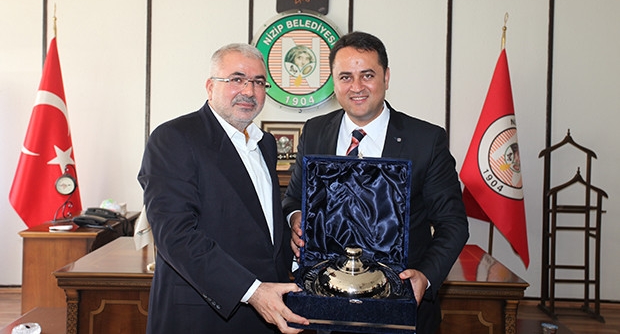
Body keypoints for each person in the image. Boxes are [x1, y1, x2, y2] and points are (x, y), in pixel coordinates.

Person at [282, 31, 469, 334]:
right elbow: (293, 198)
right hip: (326, 306)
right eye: (345, 77)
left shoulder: (426, 140)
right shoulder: (314, 131)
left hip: (400, 306)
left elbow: (453, 224)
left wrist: (425, 276)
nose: (356, 87)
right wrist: (295, 217)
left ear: (386, 77)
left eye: (367, 75)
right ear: (333, 81)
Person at [138, 43, 309, 334]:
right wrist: (252, 291)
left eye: (258, 82)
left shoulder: (265, 143)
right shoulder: (174, 138)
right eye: (236, 79)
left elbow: (255, 224)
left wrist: (293, 239)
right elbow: (176, 235)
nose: (249, 91)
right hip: (202, 317)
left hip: (268, 313)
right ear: (210, 87)